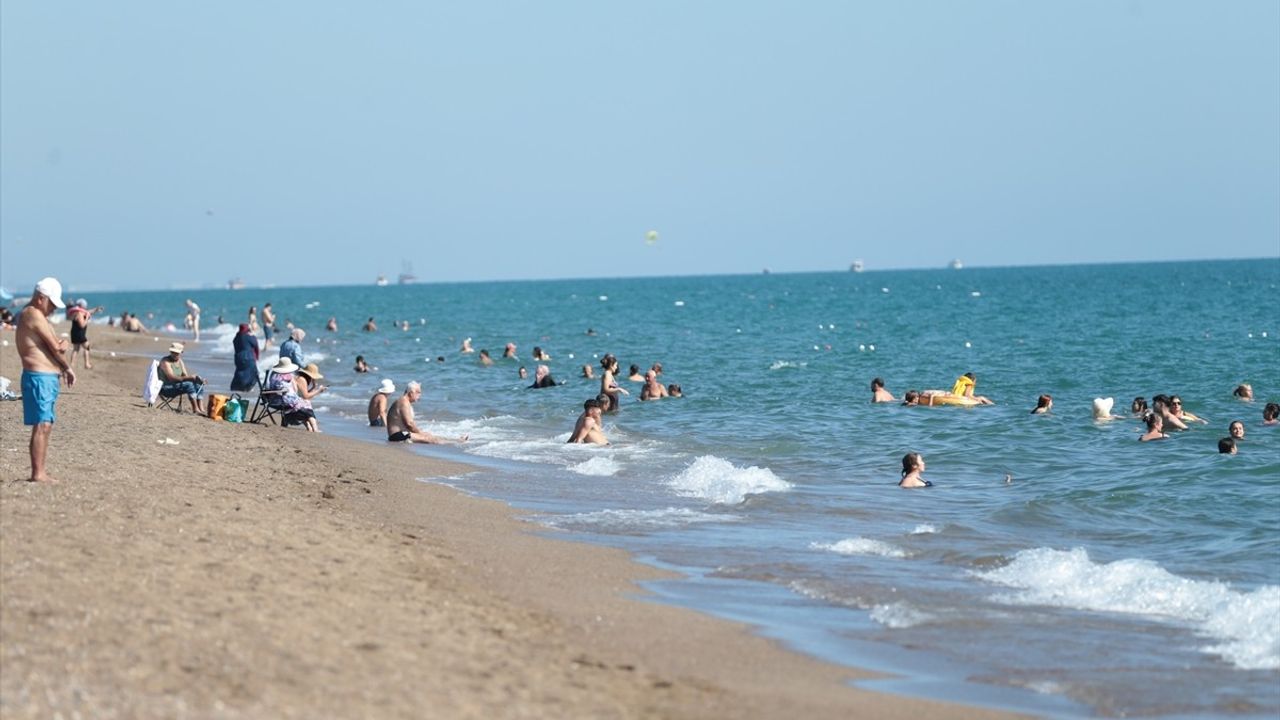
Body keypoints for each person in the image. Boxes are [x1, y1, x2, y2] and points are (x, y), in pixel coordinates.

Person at [16, 277, 75, 482]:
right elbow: (56, 346)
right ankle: (38, 473)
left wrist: (63, 349)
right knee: (42, 425)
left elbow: (58, 344)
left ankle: (40, 471)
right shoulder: (32, 314)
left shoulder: (38, 316)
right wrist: (67, 365)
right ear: (41, 298)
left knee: (45, 424)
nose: (53, 310)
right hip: (39, 377)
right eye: (52, 304)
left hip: (46, 378)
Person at [386, 381, 467, 444]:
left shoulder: (403, 401)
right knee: (429, 439)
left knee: (429, 436)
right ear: (411, 392)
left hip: (401, 434)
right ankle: (457, 442)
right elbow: (409, 423)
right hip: (398, 435)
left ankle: (455, 440)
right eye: (418, 392)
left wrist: (420, 433)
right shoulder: (404, 402)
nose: (420, 395)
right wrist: (420, 433)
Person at [157, 342, 206, 414]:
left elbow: (185, 375)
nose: (174, 354)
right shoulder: (165, 361)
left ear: (180, 353)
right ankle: (195, 409)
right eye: (172, 352)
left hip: (176, 386)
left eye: (176, 353)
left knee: (199, 385)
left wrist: (198, 379)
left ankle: (201, 408)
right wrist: (190, 378)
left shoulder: (180, 361)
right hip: (166, 388)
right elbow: (171, 378)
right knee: (189, 384)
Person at [66, 299, 103, 370]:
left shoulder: (80, 312)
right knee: (87, 347)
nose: (85, 307)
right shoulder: (79, 313)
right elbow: (82, 325)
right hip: (79, 334)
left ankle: (72, 364)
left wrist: (96, 309)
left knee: (76, 349)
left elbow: (89, 312)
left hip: (75, 333)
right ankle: (87, 364)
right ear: (81, 306)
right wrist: (87, 319)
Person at [290, 363, 327, 432]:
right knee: (307, 405)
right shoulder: (302, 379)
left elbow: (306, 395)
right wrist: (318, 391)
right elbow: (306, 396)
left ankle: (310, 427)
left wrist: (313, 387)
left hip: (295, 400)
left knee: (306, 403)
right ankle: (315, 428)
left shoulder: (303, 378)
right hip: (292, 402)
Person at [230, 323, 260, 392]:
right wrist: (253, 335)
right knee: (254, 373)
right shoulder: (248, 337)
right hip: (248, 357)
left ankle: (237, 387)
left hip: (238, 358)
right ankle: (248, 388)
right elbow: (255, 344)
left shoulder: (236, 338)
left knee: (240, 373)